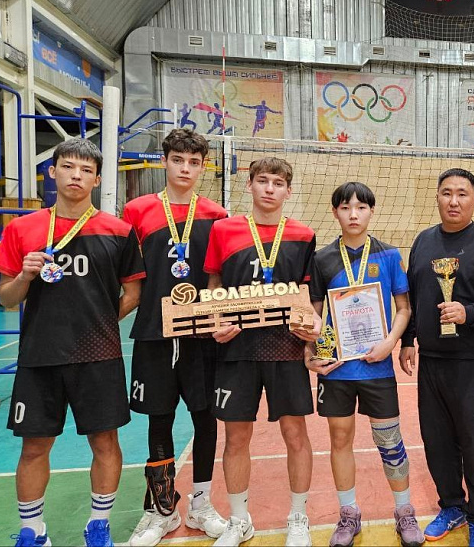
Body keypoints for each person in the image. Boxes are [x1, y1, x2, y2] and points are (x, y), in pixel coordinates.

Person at [0, 138, 144, 547]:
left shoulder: (118, 231)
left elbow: (133, 293)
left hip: (99, 356)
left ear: (97, 179)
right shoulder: (23, 229)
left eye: (86, 170)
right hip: (40, 356)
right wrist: (23, 276)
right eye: (68, 167)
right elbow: (6, 299)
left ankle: (99, 525)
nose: (76, 175)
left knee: (105, 442)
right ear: (52, 171)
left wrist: (100, 324)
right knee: (33, 447)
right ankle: (33, 530)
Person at [203, 157, 320, 547]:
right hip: (237, 349)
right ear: (249, 184)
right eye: (263, 181)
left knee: (295, 434)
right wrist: (216, 320)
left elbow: (307, 294)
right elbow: (214, 284)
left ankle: (298, 518)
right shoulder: (223, 230)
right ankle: (239, 521)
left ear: (288, 190)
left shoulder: (303, 235)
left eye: (278, 183)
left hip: (286, 349)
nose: (270, 188)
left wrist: (311, 339)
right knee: (236, 437)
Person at [398, 168, 474, 547]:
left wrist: (469, 313)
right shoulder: (423, 242)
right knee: (437, 441)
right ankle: (452, 506)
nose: (453, 201)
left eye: (462, 194)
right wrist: (408, 340)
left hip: (472, 361)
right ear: (437, 197)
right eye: (446, 193)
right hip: (431, 360)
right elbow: (414, 298)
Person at [121, 129, 228, 546]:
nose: (185, 168)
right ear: (164, 161)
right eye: (178, 160)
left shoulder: (217, 214)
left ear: (203, 166)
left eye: (194, 162)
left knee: (205, 418)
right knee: (159, 417)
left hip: (202, 335)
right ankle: (162, 510)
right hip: (154, 332)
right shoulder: (137, 210)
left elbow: (220, 277)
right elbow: (128, 275)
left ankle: (201, 505)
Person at [306, 182, 423, 547]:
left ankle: (404, 511)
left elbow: (404, 308)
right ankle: (348, 514)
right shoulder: (322, 258)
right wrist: (313, 352)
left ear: (372, 211)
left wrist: (391, 342)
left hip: (377, 366)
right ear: (335, 212)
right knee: (340, 439)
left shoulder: (389, 255)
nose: (353, 214)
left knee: (390, 440)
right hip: (337, 369)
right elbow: (314, 313)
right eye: (345, 208)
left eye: (360, 208)